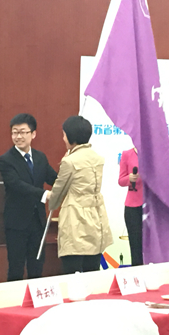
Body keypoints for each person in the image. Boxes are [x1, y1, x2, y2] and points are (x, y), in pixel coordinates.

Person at [47, 115, 113, 274]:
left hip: (76, 219)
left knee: (72, 270)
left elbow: (57, 194)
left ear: (71, 136)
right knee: (92, 268)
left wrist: (51, 200)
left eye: (64, 135)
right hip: (96, 216)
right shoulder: (97, 158)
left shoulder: (69, 161)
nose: (63, 139)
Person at [0, 113, 57, 281]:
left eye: (23, 132)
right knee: (16, 268)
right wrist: (44, 194)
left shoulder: (40, 157)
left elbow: (54, 179)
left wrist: (68, 169)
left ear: (33, 134)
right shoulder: (5, 160)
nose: (18, 137)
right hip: (16, 222)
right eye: (15, 132)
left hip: (37, 221)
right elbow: (17, 185)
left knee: (36, 266)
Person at [118, 147, 143, 266]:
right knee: (135, 245)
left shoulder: (154, 152)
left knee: (153, 245)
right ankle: (137, 273)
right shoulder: (127, 154)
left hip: (152, 207)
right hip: (133, 206)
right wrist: (129, 178)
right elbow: (121, 180)